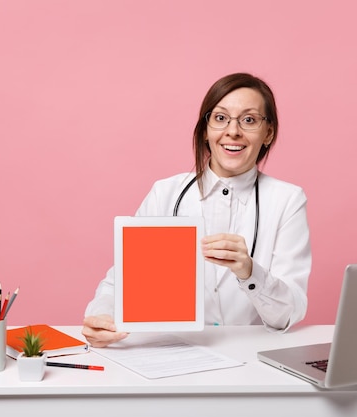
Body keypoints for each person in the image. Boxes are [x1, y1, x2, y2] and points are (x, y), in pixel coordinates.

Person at [82, 73, 311, 347]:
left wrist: (250, 272)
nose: (233, 131)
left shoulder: (287, 200)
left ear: (268, 133)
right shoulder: (165, 193)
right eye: (220, 118)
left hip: (249, 357)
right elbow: (120, 282)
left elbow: (289, 313)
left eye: (249, 120)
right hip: (174, 351)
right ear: (205, 130)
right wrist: (100, 316)